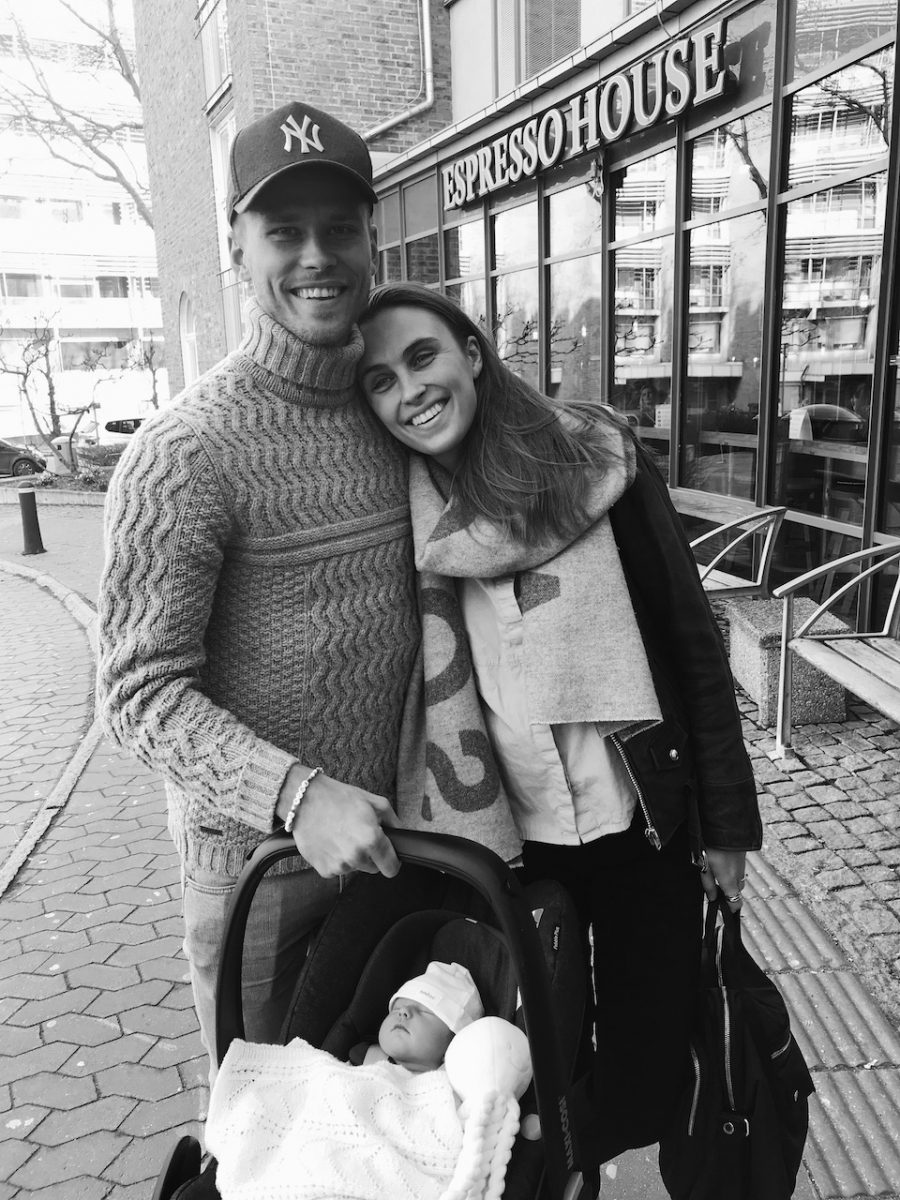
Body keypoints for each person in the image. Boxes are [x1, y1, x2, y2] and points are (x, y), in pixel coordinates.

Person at [357, 282, 762, 1169]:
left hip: (638, 814)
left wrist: (728, 824)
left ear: (472, 352)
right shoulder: (401, 510)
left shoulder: (595, 460)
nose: (409, 391)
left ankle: (611, 1152)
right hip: (507, 832)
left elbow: (692, 640)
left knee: (648, 1046)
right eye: (381, 381)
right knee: (540, 1056)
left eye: (423, 357)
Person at [95, 102, 421, 1075]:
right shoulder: (184, 453)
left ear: (372, 239)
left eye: (339, 228)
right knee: (267, 1132)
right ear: (238, 247)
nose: (317, 256)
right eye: (284, 231)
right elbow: (137, 692)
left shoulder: (402, 407)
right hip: (260, 875)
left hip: (410, 846)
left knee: (402, 1120)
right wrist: (295, 796)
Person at [363, 960, 484, 1072]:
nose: (403, 1011)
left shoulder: (457, 1083)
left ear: (453, 1044)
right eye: (396, 1008)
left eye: (424, 1011)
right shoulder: (362, 1058)